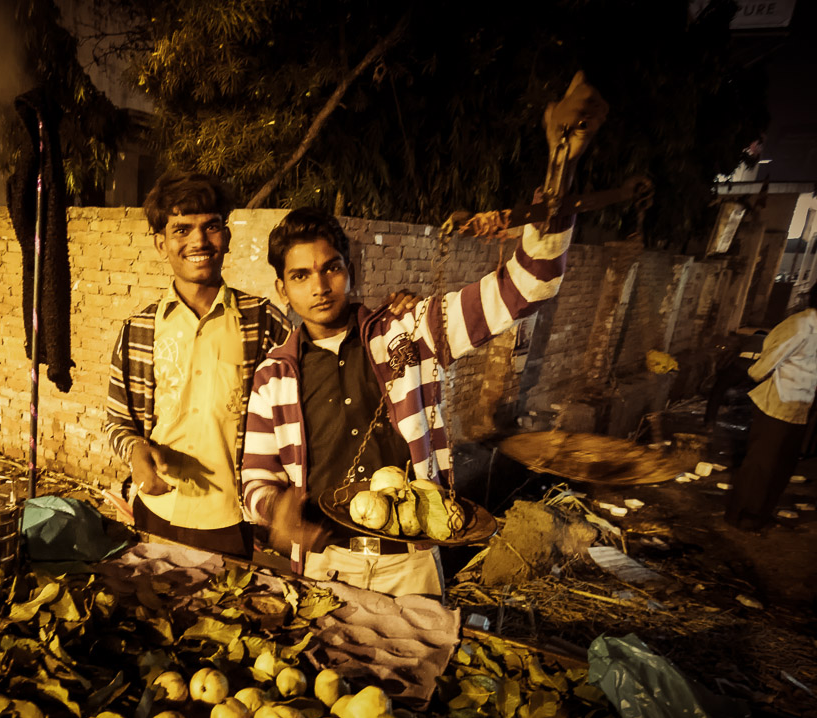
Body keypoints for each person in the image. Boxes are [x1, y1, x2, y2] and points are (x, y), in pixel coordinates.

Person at [241, 73, 607, 594]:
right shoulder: (273, 376)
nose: (319, 286)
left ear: (350, 272)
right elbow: (256, 478)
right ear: (282, 289)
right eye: (300, 276)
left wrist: (560, 169)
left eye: (331, 268)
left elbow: (530, 284)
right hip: (324, 564)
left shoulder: (410, 333)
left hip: (409, 566)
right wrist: (276, 508)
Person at [105, 171, 292, 557]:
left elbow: (299, 411)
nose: (198, 241)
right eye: (182, 229)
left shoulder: (263, 322)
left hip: (234, 520)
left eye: (211, 226)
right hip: (157, 509)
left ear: (227, 237)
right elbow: (117, 422)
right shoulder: (138, 330)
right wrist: (136, 450)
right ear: (161, 244)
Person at [725, 284, 817, 531]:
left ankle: (761, 514)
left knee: (782, 467)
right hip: (776, 405)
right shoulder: (799, 325)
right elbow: (763, 366)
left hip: (800, 408)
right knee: (761, 465)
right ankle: (742, 516)